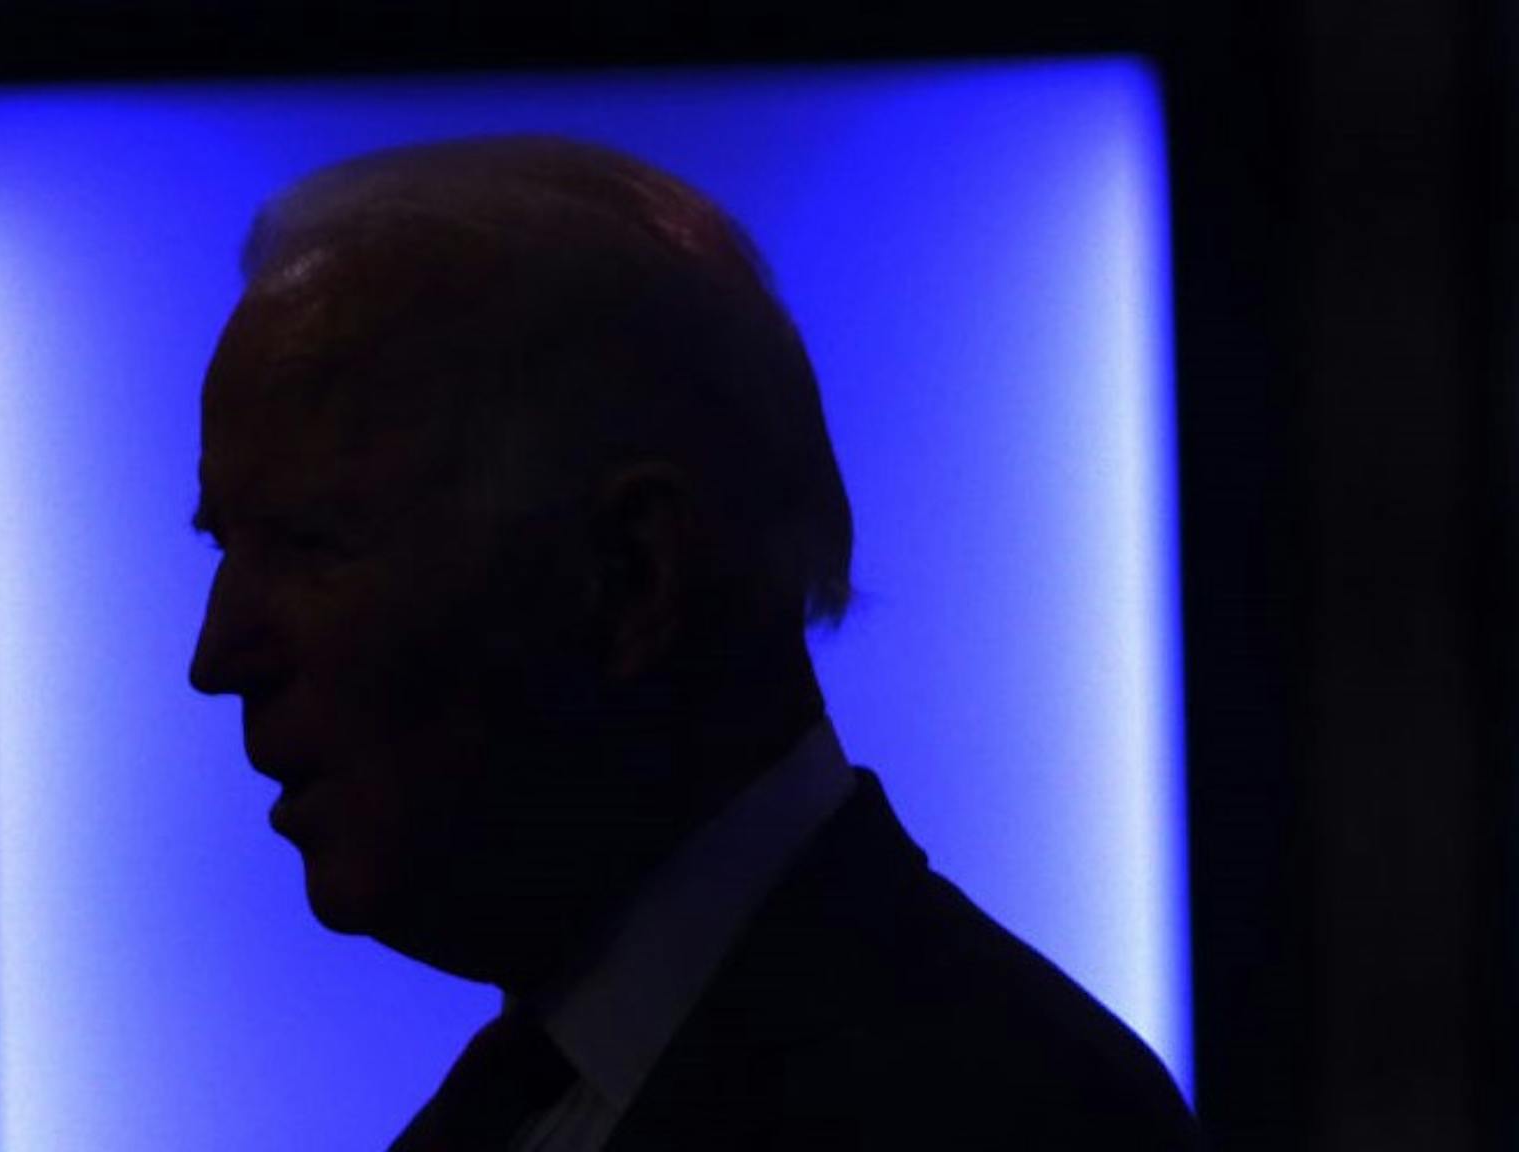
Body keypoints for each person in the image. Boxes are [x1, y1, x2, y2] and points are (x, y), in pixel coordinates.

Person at [187, 135, 1199, 1150]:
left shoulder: (1014, 1118)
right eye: (226, 549)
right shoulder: (518, 1107)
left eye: (311, 544)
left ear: (631, 574)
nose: (218, 656)